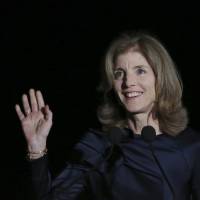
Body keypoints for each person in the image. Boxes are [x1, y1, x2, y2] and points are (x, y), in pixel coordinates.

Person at [15, 31, 200, 200]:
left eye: (140, 71)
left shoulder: (190, 145)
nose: (128, 82)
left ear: (161, 78)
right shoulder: (98, 145)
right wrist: (36, 148)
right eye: (120, 73)